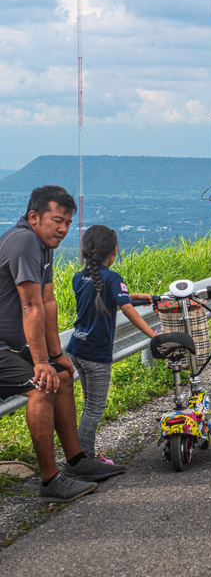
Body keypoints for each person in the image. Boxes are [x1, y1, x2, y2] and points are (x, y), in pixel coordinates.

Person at [0, 185, 124, 502]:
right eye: (57, 221)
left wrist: (56, 355)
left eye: (68, 223)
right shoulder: (24, 241)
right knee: (42, 385)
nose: (63, 229)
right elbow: (30, 307)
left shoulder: (43, 245)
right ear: (33, 216)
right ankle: (50, 480)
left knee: (63, 376)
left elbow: (48, 301)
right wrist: (42, 363)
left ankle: (77, 462)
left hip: (11, 346)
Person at [68, 225, 156, 463]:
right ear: (114, 251)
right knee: (95, 408)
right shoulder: (112, 278)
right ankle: (83, 459)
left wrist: (135, 296)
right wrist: (153, 335)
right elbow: (125, 309)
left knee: (89, 406)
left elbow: (108, 297)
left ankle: (88, 453)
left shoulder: (80, 277)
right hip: (95, 353)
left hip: (77, 348)